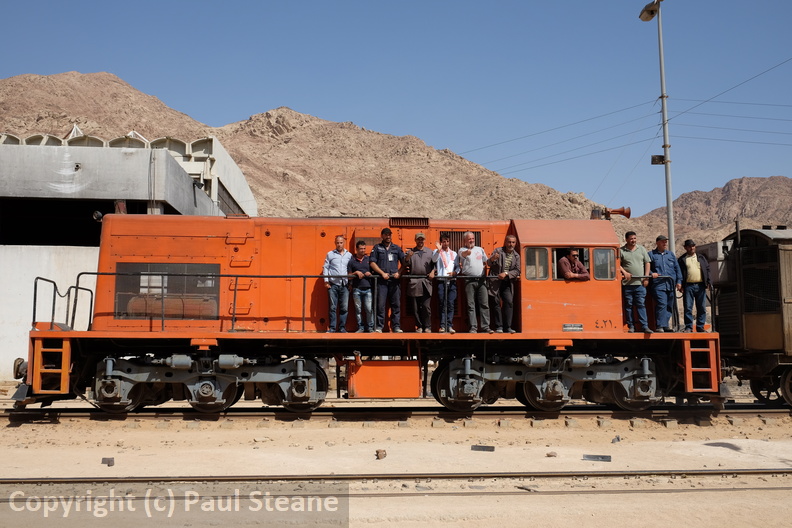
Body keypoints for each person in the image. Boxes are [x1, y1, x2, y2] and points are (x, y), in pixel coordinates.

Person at [369, 227, 405, 332]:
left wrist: (399, 272)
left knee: (396, 304)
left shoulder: (396, 248)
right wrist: (382, 273)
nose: (388, 236)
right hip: (381, 281)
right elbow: (372, 263)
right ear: (382, 236)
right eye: (385, 234)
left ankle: (396, 326)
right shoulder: (377, 248)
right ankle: (379, 327)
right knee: (380, 305)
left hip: (394, 281)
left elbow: (405, 263)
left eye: (389, 234)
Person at [619, 231, 653, 333]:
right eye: (631, 239)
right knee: (628, 305)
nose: (633, 240)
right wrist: (624, 272)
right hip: (627, 284)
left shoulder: (641, 249)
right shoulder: (621, 251)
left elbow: (647, 262)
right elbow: (617, 264)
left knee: (641, 304)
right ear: (626, 239)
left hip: (640, 284)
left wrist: (646, 277)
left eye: (634, 238)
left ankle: (644, 326)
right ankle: (631, 326)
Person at [458, 231, 491, 333]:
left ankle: (486, 327)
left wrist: (492, 259)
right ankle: (473, 327)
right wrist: (467, 253)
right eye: (469, 239)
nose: (471, 241)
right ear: (465, 241)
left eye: (472, 239)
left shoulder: (480, 249)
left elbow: (487, 261)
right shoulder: (462, 250)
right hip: (469, 280)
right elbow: (462, 255)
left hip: (481, 280)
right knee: (471, 305)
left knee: (484, 304)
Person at [487, 235, 521, 333]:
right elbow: (488, 263)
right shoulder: (498, 251)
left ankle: (508, 327)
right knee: (496, 303)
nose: (511, 244)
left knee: (509, 302)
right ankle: (499, 327)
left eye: (513, 242)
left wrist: (506, 274)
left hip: (507, 282)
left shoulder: (516, 256)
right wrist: (493, 259)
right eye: (509, 242)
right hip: (495, 282)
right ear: (505, 242)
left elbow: (517, 270)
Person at [649, 235, 683, 332]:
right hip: (658, 285)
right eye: (663, 242)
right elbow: (646, 268)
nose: (665, 244)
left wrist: (679, 281)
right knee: (661, 303)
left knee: (669, 305)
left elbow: (677, 269)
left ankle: (665, 325)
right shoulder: (651, 254)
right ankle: (660, 325)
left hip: (670, 284)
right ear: (657, 243)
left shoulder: (670, 255)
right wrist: (652, 273)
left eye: (666, 242)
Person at [678, 239, 711, 333]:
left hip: (700, 286)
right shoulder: (682, 259)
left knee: (701, 307)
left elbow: (707, 269)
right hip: (688, 286)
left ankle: (700, 326)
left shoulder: (701, 257)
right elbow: (679, 273)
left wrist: (709, 281)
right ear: (685, 248)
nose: (691, 248)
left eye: (693, 246)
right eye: (689, 246)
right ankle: (689, 327)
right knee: (688, 307)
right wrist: (680, 284)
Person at [405, 232, 435, 332]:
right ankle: (419, 326)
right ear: (415, 240)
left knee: (426, 306)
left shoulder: (430, 252)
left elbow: (436, 264)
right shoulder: (411, 252)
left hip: (426, 282)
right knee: (415, 307)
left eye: (422, 239)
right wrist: (408, 257)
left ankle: (427, 326)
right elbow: (405, 263)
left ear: (424, 240)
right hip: (414, 281)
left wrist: (433, 271)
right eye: (418, 239)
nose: (420, 241)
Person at [322, 235, 352, 333]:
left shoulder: (349, 255)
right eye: (337, 243)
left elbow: (351, 269)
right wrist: (326, 281)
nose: (339, 244)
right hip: (333, 284)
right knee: (332, 307)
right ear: (335, 243)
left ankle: (342, 328)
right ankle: (332, 328)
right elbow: (326, 267)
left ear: (344, 243)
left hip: (345, 285)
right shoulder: (330, 254)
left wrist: (351, 283)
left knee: (344, 308)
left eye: (341, 242)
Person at [432, 234, 459, 333]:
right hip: (441, 281)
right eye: (443, 241)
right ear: (441, 242)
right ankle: (442, 325)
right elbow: (433, 260)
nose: (446, 243)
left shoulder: (454, 253)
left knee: (451, 304)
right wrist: (438, 250)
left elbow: (457, 267)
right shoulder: (436, 252)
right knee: (442, 304)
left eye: (447, 241)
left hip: (451, 282)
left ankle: (450, 325)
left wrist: (455, 273)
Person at [348, 240, 374, 332]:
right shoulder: (352, 261)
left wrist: (369, 273)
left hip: (368, 288)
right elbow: (349, 276)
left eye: (364, 248)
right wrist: (355, 273)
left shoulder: (369, 260)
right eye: (361, 249)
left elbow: (374, 272)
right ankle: (361, 327)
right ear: (357, 249)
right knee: (358, 310)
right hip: (356, 289)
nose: (363, 250)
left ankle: (370, 327)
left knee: (369, 309)